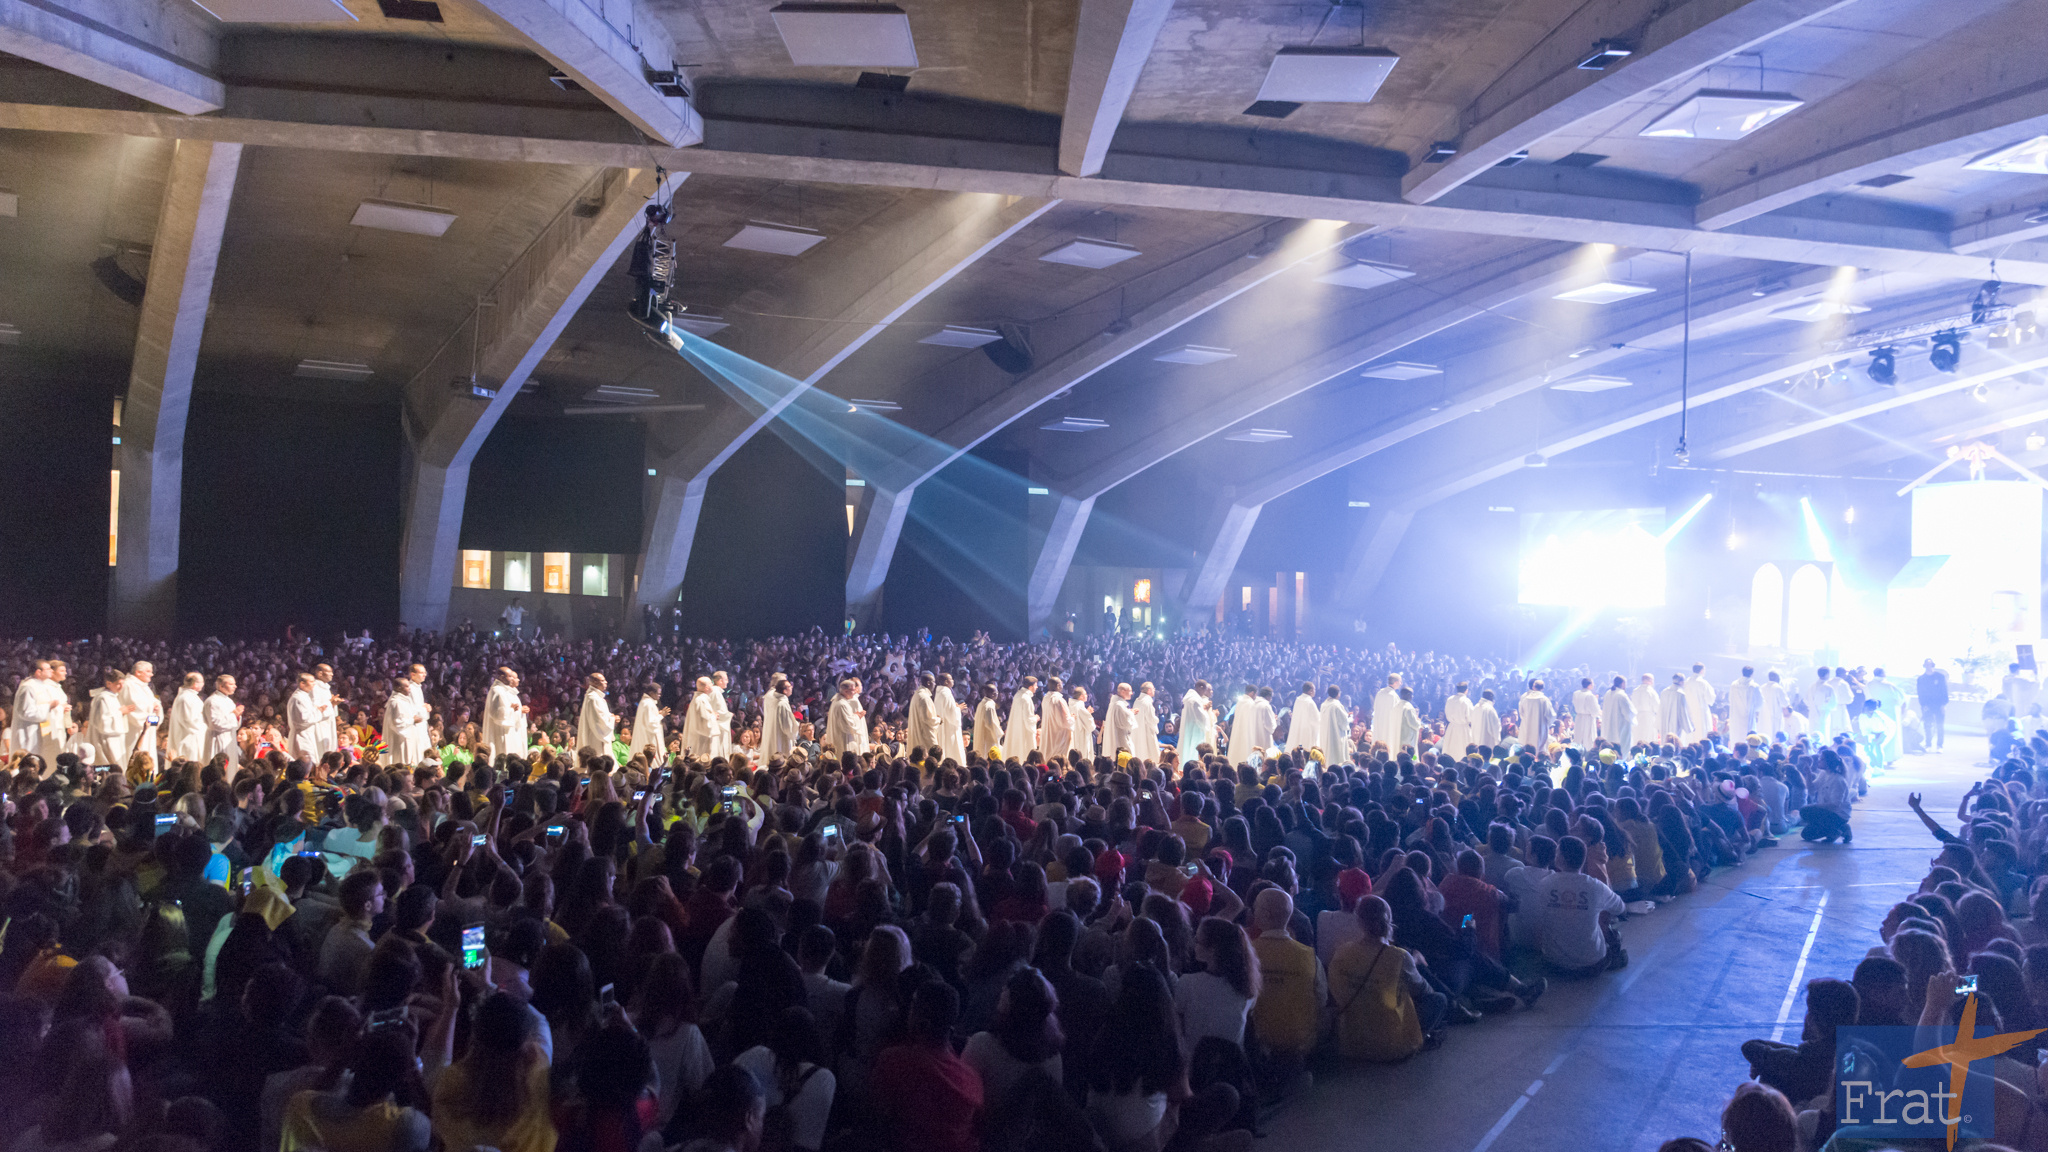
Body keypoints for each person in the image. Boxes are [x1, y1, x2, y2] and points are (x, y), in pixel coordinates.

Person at [428, 990, 554, 1152]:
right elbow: (541, 1022)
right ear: (525, 1045)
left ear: (474, 1037)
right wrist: (491, 986)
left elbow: (433, 1069)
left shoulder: (451, 1086)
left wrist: (452, 1007)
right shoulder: (537, 1076)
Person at [870, 981, 982, 1152]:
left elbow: (876, 1114)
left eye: (913, 1006)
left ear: (924, 1023)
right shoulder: (972, 1079)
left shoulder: (895, 1060)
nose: (908, 1011)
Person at [279, 1026, 431, 1152]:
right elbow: (434, 1121)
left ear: (354, 1064)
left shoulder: (300, 1106)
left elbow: (318, 1090)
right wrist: (412, 1064)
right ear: (403, 1078)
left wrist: (345, 1054)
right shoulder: (402, 1127)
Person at [1330, 894, 1444, 1061]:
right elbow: (1423, 990)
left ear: (1359, 921)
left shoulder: (1343, 952)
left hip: (1351, 1042)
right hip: (1391, 1045)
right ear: (1389, 920)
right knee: (1439, 999)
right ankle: (1419, 1039)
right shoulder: (1400, 957)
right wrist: (1413, 964)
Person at [1738, 978, 1860, 1105]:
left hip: (1799, 1113)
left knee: (1766, 1080)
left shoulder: (1801, 1063)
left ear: (1813, 1019)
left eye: (1809, 1011)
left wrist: (1763, 1063)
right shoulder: (1853, 1054)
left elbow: (1750, 1047)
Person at [1535, 837, 1626, 976]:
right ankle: (1616, 957)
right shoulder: (1596, 886)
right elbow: (1620, 908)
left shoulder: (1545, 884)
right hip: (1592, 965)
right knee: (1611, 930)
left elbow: (1538, 917)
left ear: (1560, 859)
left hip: (1554, 964)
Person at [1799, 751, 1854, 843]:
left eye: (1822, 759)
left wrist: (1815, 806)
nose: (1819, 761)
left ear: (1828, 762)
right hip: (1826, 811)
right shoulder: (1823, 774)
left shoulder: (1838, 780)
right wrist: (1808, 773)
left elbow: (1835, 805)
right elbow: (1811, 789)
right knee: (1806, 835)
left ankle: (1840, 828)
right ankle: (1836, 830)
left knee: (1805, 811)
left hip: (1838, 815)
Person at [483, 666, 530, 759]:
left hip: (509, 731)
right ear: (501, 677)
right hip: (501, 732)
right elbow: (497, 714)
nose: (512, 679)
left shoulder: (506, 691)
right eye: (510, 676)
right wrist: (514, 710)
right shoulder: (497, 691)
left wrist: (518, 710)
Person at [205, 674, 243, 774]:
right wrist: (234, 715)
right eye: (231, 684)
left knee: (230, 770)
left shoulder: (229, 701)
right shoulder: (213, 701)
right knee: (219, 769)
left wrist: (237, 716)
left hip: (229, 738)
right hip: (218, 738)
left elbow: (234, 723)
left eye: (235, 684)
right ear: (221, 686)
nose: (235, 686)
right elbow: (215, 723)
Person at [576, 673, 615, 763]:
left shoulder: (595, 697)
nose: (606, 682)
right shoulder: (593, 698)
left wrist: (610, 717)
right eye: (603, 680)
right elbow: (599, 722)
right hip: (596, 736)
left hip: (596, 734)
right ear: (595, 682)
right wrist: (612, 719)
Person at [825, 679, 868, 754]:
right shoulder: (842, 704)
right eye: (853, 690)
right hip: (843, 739)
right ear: (845, 691)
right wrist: (858, 716)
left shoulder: (839, 701)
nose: (855, 692)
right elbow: (847, 725)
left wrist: (855, 715)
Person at [761, 674, 798, 758]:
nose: (792, 687)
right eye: (788, 685)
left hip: (773, 729)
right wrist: (796, 725)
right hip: (779, 734)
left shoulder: (773, 696)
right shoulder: (780, 702)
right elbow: (787, 726)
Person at [1177, 680, 1214, 761]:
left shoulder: (1189, 698)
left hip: (1188, 728)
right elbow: (1201, 718)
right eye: (1205, 690)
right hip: (1195, 730)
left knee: (1186, 749)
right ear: (1200, 688)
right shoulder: (1195, 700)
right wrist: (1206, 709)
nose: (1204, 693)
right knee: (1193, 750)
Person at [1917, 659, 1950, 750]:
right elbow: (1920, 693)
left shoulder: (1940, 677)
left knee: (1940, 726)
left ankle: (1940, 745)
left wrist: (1944, 704)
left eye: (1930, 664)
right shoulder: (1921, 679)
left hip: (1939, 705)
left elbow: (1944, 691)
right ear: (1924, 665)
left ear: (1933, 665)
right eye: (1927, 664)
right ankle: (1928, 744)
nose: (1928, 666)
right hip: (1927, 706)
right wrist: (1923, 705)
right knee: (1927, 725)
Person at [1319, 685, 1354, 763]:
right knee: (1337, 756)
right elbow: (1343, 722)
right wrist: (1350, 718)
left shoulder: (1323, 705)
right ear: (1338, 694)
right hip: (1336, 735)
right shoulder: (1337, 705)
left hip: (1326, 734)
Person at [1005, 676, 1038, 760]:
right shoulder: (1026, 699)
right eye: (1035, 685)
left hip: (1016, 730)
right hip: (1024, 733)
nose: (1037, 687)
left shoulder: (1017, 695)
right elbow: (1028, 720)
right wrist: (1036, 718)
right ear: (1030, 687)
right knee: (1024, 754)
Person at [1369, 673, 1402, 750]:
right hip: (1389, 726)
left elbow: (1375, 707)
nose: (1401, 684)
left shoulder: (1380, 693)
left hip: (1378, 724)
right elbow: (1397, 714)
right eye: (1400, 681)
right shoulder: (1394, 696)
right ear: (1396, 682)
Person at [1519, 680, 1555, 747]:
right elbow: (1550, 715)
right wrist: (1547, 723)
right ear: (1543, 688)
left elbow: (1521, 712)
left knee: (1527, 747)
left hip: (1527, 727)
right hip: (1540, 728)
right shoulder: (1544, 700)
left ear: (1533, 687)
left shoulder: (1526, 699)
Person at [1287, 682, 1320, 756]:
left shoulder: (1298, 700)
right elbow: (1316, 720)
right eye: (1314, 689)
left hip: (1297, 728)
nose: (1315, 691)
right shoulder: (1310, 702)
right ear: (1310, 690)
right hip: (1307, 731)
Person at [1132, 681, 1161, 762]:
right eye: (1153, 688)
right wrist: (1157, 720)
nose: (1154, 690)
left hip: (1137, 732)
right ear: (1149, 690)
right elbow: (1151, 719)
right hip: (1146, 731)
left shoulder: (1137, 701)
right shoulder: (1147, 702)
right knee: (1151, 754)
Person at [1727, 666, 1759, 738]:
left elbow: (1730, 698)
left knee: (1736, 736)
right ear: (1752, 674)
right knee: (1747, 736)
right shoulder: (1754, 686)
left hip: (1736, 715)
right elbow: (1759, 703)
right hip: (1748, 716)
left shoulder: (1734, 685)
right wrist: (1754, 710)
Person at [1443, 681, 1473, 753]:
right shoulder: (1466, 701)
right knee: (1462, 751)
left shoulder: (1450, 699)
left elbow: (1446, 713)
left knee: (1450, 750)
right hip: (1463, 730)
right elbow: (1471, 717)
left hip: (1451, 728)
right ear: (1466, 691)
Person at [1571, 678, 1600, 746]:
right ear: (1589, 685)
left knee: (1578, 738)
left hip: (1579, 718)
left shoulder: (1576, 693)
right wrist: (1596, 700)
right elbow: (1595, 712)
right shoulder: (1590, 696)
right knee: (1588, 739)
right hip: (1588, 719)